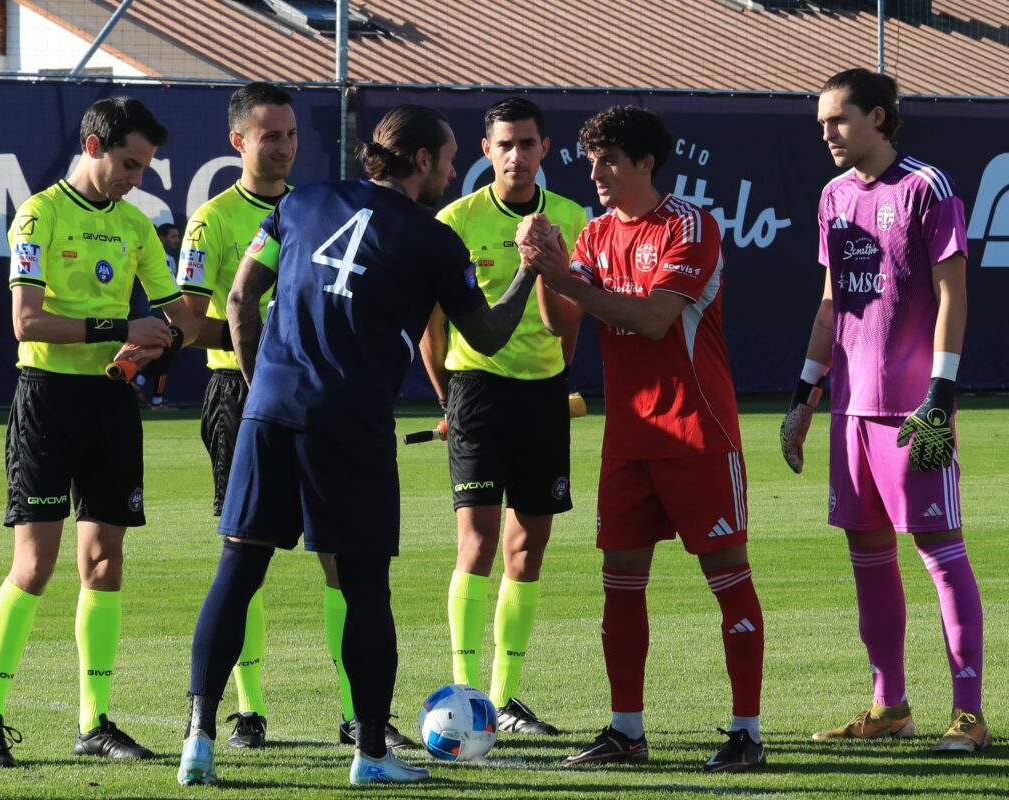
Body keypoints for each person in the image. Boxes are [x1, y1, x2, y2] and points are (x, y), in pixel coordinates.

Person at [177, 103, 563, 786]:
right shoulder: (434, 240)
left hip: (269, 415)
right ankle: (371, 755)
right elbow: (488, 336)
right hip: (351, 426)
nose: (453, 172)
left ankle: (197, 742)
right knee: (363, 589)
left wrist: (263, 388)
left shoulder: (301, 202)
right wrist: (530, 268)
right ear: (422, 161)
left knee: (238, 570)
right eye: (449, 159)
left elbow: (238, 301)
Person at [0, 96, 224, 769]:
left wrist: (165, 339)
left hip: (111, 404)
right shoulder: (40, 214)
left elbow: (179, 316)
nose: (136, 178)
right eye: (129, 164)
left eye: (144, 168)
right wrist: (121, 328)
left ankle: (94, 721)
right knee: (35, 565)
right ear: (92, 147)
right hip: (47, 399)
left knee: (105, 563)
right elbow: (26, 321)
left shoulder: (136, 226)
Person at [517, 105, 767, 772]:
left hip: (696, 431)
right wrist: (543, 267)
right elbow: (561, 321)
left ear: (645, 163)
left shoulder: (690, 225)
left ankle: (747, 732)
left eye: (609, 161)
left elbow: (656, 319)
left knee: (727, 578)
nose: (595, 173)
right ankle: (626, 731)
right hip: (628, 438)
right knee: (620, 585)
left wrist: (564, 278)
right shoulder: (596, 234)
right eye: (591, 161)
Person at [176, 81, 409, 751]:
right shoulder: (213, 219)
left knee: (342, 564)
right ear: (238, 141)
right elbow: (193, 322)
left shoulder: (313, 208)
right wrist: (266, 360)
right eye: (269, 136)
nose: (283, 147)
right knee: (245, 559)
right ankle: (246, 709)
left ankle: (357, 715)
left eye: (291, 134)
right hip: (245, 396)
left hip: (313, 399)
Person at [782, 67, 988, 752]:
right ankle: (889, 706)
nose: (828, 133)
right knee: (867, 554)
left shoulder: (927, 187)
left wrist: (941, 394)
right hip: (850, 412)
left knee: (940, 551)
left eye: (838, 119)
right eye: (821, 124)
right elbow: (830, 302)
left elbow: (953, 294)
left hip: (913, 412)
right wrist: (805, 396)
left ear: (877, 116)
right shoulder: (833, 196)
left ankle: (969, 715)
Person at [420, 96, 587, 735]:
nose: (517, 155)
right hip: (476, 391)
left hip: (543, 394)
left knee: (528, 546)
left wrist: (546, 267)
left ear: (545, 149)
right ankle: (464, 694)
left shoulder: (571, 217)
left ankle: (505, 699)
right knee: (478, 541)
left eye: (528, 143)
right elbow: (431, 327)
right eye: (505, 144)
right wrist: (448, 400)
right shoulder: (456, 219)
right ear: (486, 150)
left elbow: (570, 320)